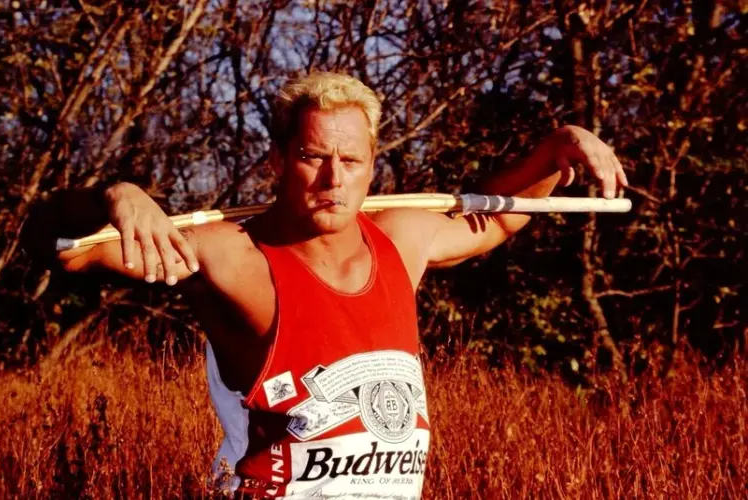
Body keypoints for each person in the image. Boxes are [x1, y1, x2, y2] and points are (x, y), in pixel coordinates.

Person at [35, 72, 628, 499]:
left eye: (352, 161)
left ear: (373, 164)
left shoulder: (401, 238)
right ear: (277, 161)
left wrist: (558, 146)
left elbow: (498, 217)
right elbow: (63, 250)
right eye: (313, 156)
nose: (333, 179)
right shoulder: (226, 252)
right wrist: (113, 197)